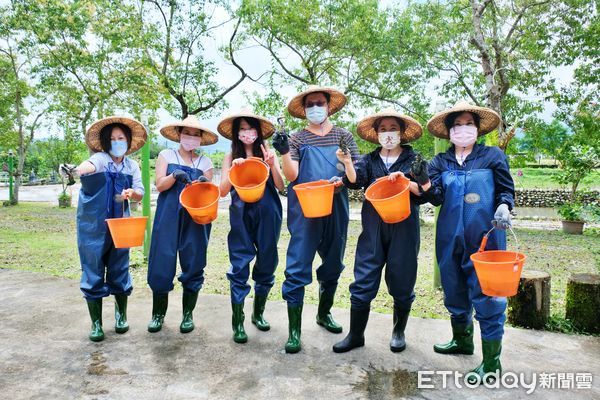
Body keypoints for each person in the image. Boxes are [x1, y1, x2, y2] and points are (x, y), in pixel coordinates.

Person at [425, 101, 514, 384]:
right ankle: (462, 341)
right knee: (453, 288)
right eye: (457, 125)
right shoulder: (440, 162)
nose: (463, 129)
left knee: (488, 294)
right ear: (449, 132)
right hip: (449, 236)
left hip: (486, 237)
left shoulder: (493, 156)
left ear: (477, 129)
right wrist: (422, 181)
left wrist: (504, 206)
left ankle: (492, 362)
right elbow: (436, 197)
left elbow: (505, 189)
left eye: (468, 124)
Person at [332, 109, 434, 353]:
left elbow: (425, 193)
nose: (388, 134)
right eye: (383, 129)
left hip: (404, 228)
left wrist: (409, 182)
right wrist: (347, 163)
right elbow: (355, 181)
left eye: (393, 129)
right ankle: (356, 335)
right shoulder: (369, 160)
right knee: (364, 278)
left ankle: (398, 332)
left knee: (402, 278)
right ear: (376, 134)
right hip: (373, 227)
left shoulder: (414, 159)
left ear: (401, 133)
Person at [271, 85, 359, 353]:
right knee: (297, 268)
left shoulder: (344, 136)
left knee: (333, 264)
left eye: (319, 103)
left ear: (329, 106)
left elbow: (355, 171)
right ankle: (294, 332)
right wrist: (284, 152)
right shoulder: (297, 139)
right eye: (310, 104)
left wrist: (342, 178)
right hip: (304, 211)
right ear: (304, 110)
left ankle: (324, 313)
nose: (315, 108)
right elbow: (292, 176)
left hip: (336, 207)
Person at [59, 116, 147, 342]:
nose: (117, 142)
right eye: (113, 139)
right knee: (93, 268)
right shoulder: (100, 158)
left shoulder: (132, 165)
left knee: (120, 267)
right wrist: (75, 171)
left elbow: (140, 191)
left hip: (121, 224)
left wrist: (132, 194)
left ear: (127, 141)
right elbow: (88, 167)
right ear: (107, 143)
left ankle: (121, 316)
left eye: (121, 138)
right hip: (93, 224)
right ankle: (96, 323)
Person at [217, 110, 285, 344]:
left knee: (267, 260)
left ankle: (258, 313)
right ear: (237, 134)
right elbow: (223, 190)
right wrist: (235, 168)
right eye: (242, 129)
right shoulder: (230, 156)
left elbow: (281, 186)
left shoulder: (267, 152)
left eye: (251, 128)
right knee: (239, 262)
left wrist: (273, 164)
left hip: (268, 211)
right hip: (241, 213)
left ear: (258, 131)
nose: (247, 133)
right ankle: (238, 322)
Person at [147, 115, 217, 334]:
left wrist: (206, 182)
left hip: (196, 215)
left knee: (194, 261)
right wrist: (173, 176)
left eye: (196, 135)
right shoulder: (166, 155)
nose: (191, 138)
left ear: (201, 139)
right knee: (161, 260)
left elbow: (209, 190)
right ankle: (158, 314)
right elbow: (159, 185)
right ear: (179, 134)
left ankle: (188, 315)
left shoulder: (205, 162)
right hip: (168, 214)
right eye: (187, 133)